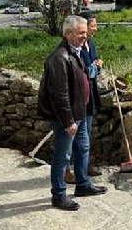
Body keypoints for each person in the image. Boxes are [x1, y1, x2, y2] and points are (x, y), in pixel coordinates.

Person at [37, 15, 107, 211]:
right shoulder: (59, 57)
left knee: (82, 148)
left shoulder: (75, 52)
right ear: (68, 34)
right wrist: (68, 121)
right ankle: (59, 195)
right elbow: (59, 94)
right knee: (63, 155)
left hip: (80, 113)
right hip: (67, 118)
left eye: (86, 32)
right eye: (81, 33)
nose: (86, 36)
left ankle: (83, 184)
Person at [65, 13, 103, 183]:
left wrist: (96, 67)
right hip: (78, 98)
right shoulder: (74, 50)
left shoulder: (91, 45)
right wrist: (93, 68)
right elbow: (83, 71)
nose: (95, 28)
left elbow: (92, 69)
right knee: (72, 137)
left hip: (90, 95)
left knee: (86, 135)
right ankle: (67, 170)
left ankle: (84, 168)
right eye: (93, 25)